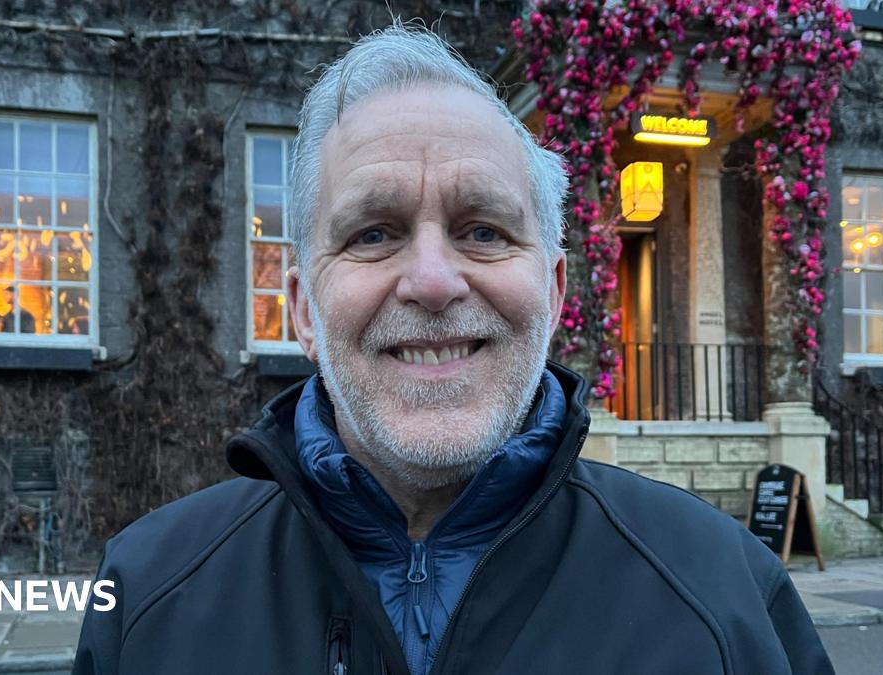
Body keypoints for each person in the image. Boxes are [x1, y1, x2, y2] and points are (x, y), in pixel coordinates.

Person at [73, 24, 832, 675]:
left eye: (484, 231)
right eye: (374, 233)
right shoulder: (144, 597)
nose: (434, 282)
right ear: (302, 309)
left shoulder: (729, 597)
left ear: (555, 292)